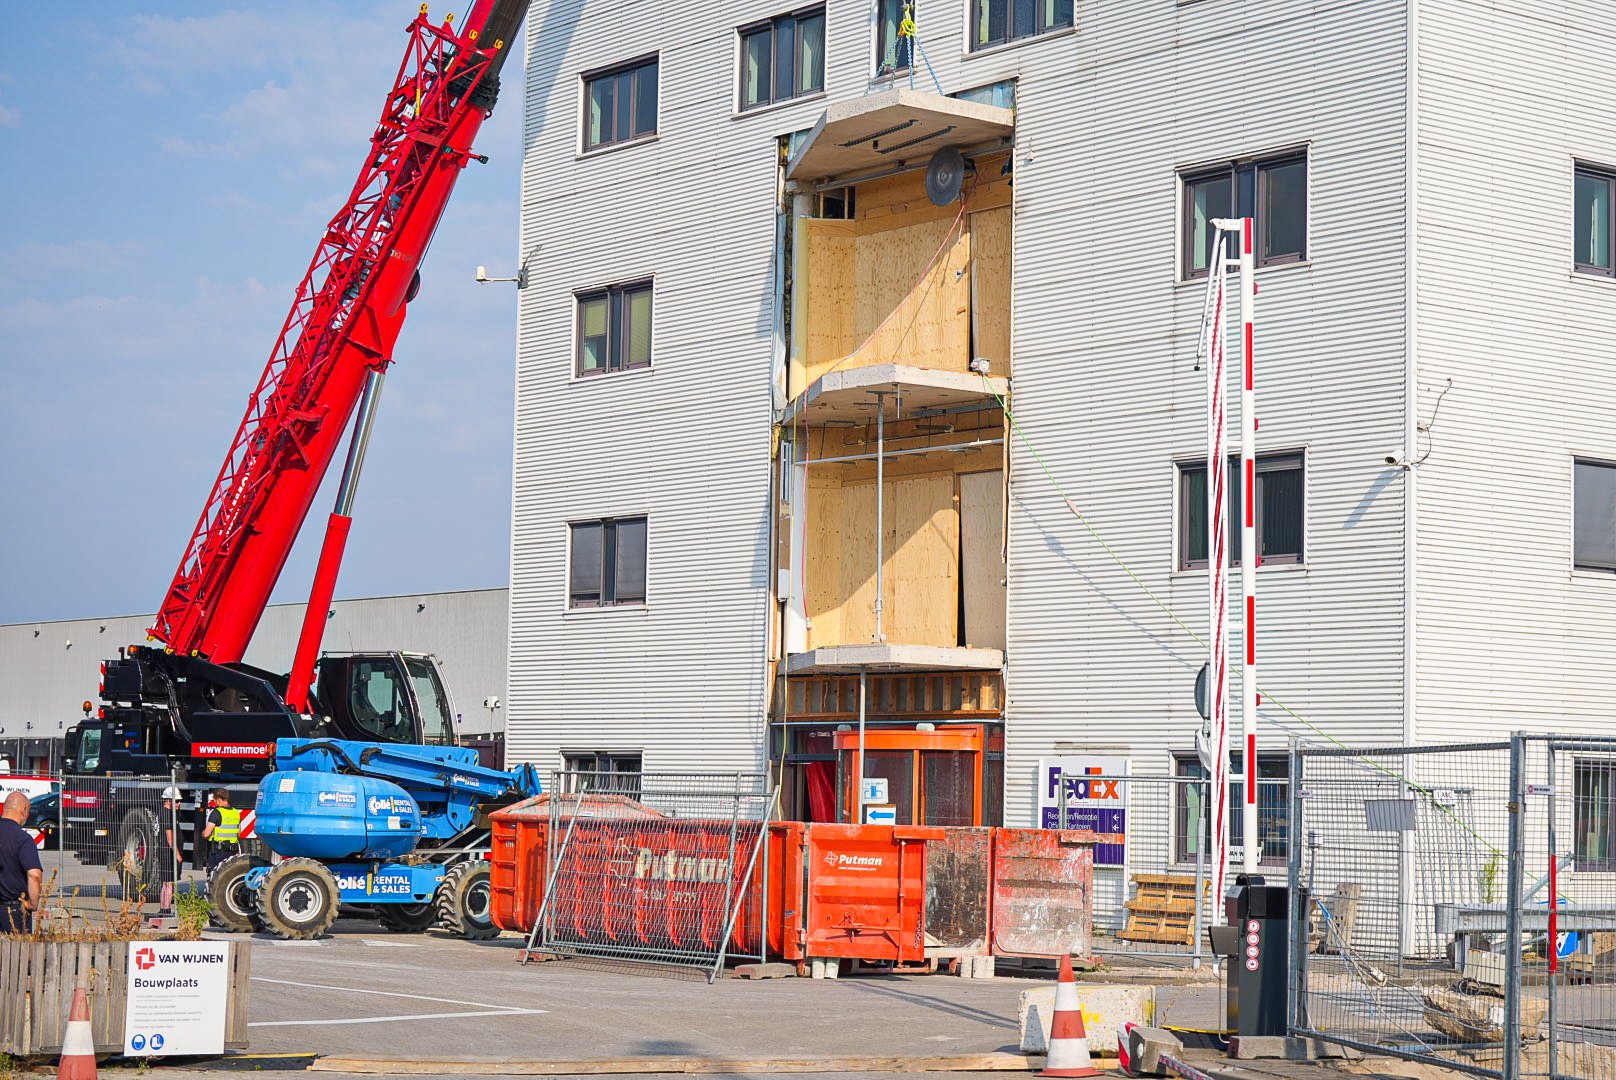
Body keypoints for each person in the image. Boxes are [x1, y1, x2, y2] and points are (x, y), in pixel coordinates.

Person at [1, 791, 43, 934]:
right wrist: (33, 903)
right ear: (24, 809)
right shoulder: (22, 839)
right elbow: (34, 875)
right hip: (13, 912)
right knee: (17, 954)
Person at [202, 788, 240, 874]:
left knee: (214, 876)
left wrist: (202, 833)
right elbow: (239, 834)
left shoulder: (216, 813)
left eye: (214, 800)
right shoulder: (236, 812)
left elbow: (206, 834)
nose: (214, 802)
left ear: (218, 799)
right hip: (232, 851)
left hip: (218, 852)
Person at [157, 786, 180, 914]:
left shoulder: (163, 812)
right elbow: (170, 838)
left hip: (164, 851)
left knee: (166, 883)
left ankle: (163, 909)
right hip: (167, 852)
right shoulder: (166, 814)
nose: (179, 804)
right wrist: (177, 855)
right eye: (176, 801)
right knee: (169, 883)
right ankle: (166, 909)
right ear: (168, 800)